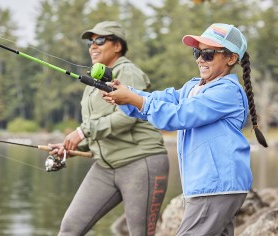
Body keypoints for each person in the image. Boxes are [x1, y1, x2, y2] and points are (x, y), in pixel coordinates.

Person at [102, 23, 268, 235]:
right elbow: (159, 100)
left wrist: (133, 99)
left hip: (216, 188)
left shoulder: (227, 92)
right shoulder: (193, 87)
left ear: (231, 59)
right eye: (197, 52)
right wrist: (126, 95)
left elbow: (179, 116)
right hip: (210, 188)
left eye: (207, 54)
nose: (200, 59)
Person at [49, 21, 170, 236]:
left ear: (118, 46)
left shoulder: (128, 72)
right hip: (105, 167)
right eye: (90, 42)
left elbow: (127, 117)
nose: (93, 46)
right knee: (69, 228)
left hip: (141, 163)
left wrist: (82, 132)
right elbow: (98, 126)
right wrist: (71, 146)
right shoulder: (94, 80)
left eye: (100, 40)